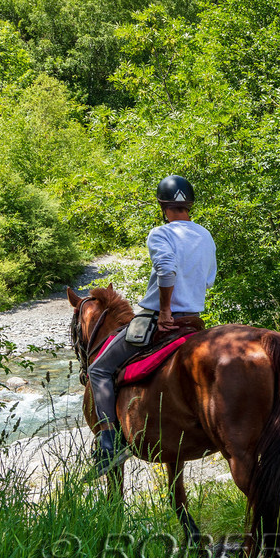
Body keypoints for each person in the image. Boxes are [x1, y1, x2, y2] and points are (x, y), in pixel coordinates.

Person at [88, 175, 217, 477]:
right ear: (190, 205)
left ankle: (109, 443)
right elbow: (208, 278)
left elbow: (166, 270)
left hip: (160, 319)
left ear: (162, 206)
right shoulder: (205, 236)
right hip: (194, 321)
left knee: (98, 369)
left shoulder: (161, 233)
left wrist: (165, 310)